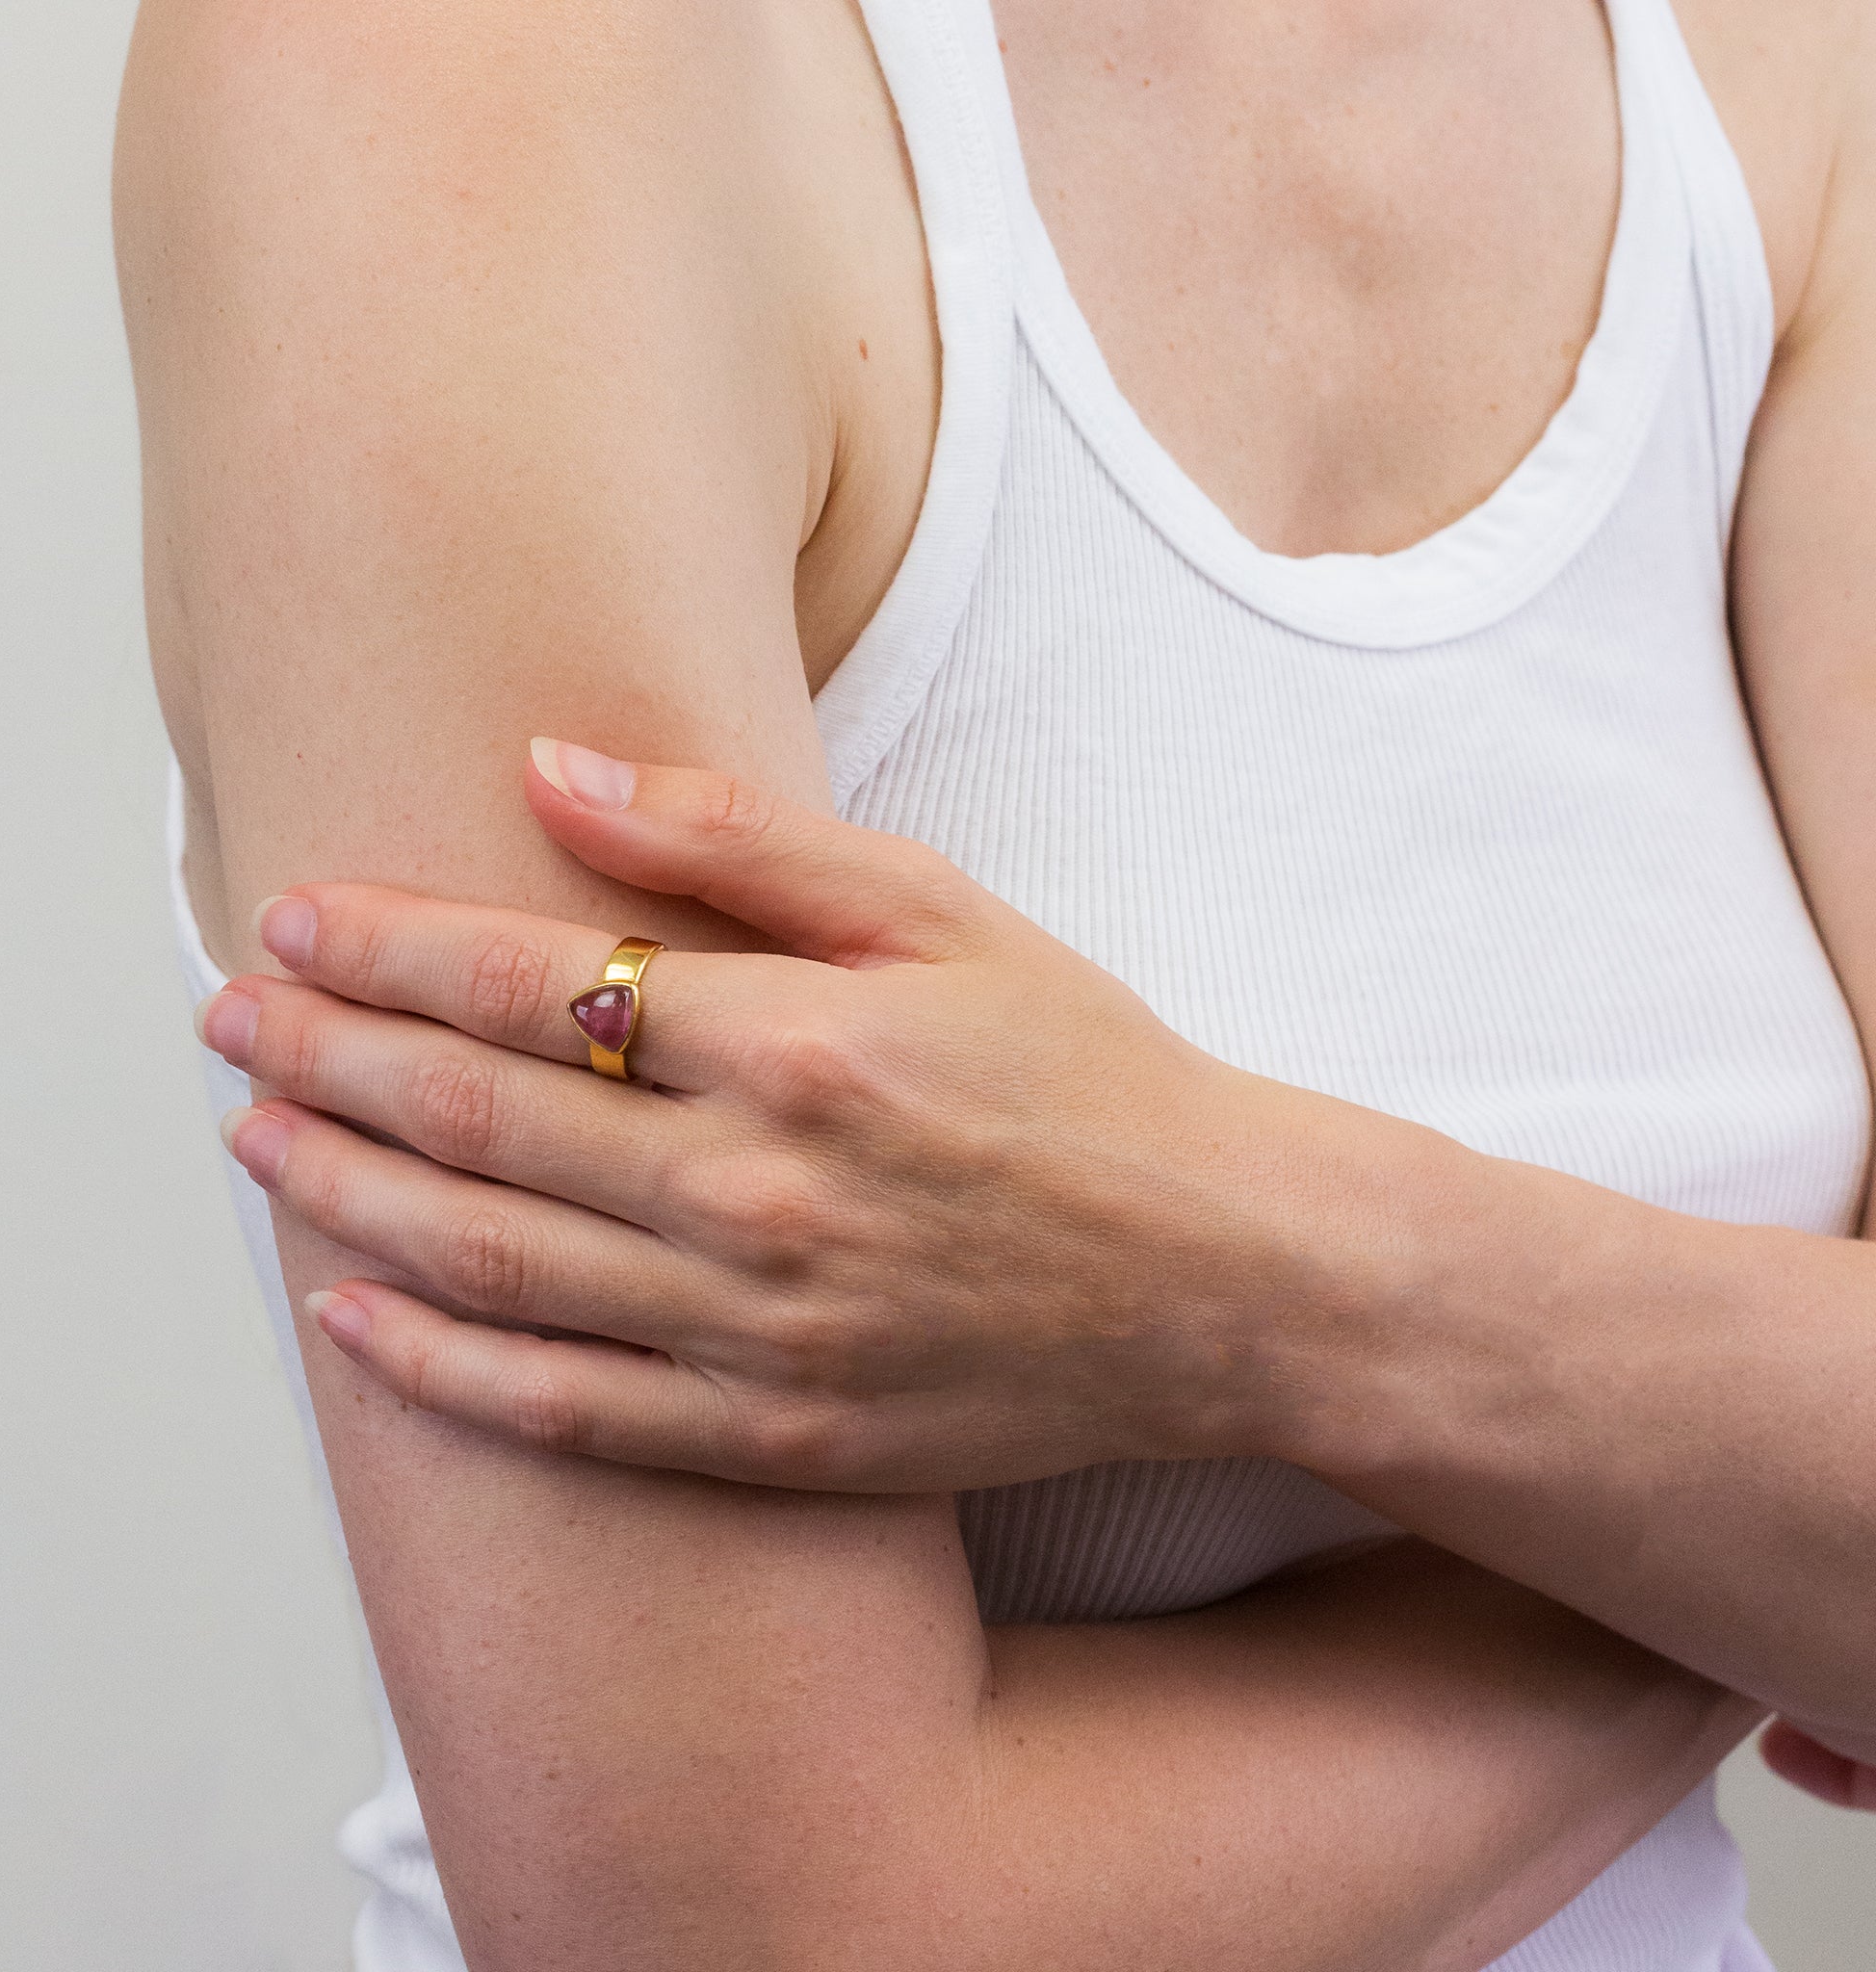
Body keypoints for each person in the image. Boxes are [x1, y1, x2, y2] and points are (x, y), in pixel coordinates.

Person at [115, 0, 1876, 1962]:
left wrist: (1245, 1264)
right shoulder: (463, 73)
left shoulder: (1786, 63)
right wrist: (1755, 1561)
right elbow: (775, 1933)